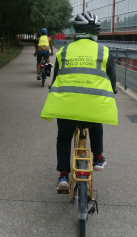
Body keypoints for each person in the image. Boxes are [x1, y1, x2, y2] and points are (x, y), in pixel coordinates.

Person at [40, 11, 118, 191]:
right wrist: (112, 90)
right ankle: (98, 157)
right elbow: (112, 78)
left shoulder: (64, 51)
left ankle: (63, 177)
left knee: (64, 137)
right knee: (96, 120)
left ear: (76, 30)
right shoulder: (104, 51)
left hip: (66, 107)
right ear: (96, 31)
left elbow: (57, 76)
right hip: (92, 107)